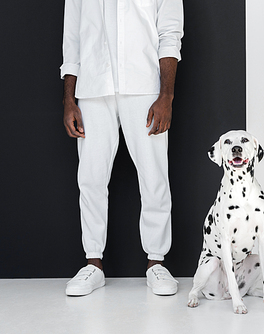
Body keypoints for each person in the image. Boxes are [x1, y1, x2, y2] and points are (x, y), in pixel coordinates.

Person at [61, 0, 183, 296]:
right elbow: (72, 39)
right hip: (92, 86)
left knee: (154, 175)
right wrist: (69, 99)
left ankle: (156, 262)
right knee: (90, 178)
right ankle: (93, 264)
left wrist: (166, 96)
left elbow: (169, 33)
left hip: (143, 85)